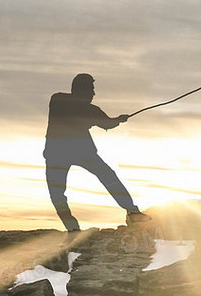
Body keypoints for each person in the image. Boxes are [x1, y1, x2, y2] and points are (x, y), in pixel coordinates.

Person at [44, 73, 150, 231]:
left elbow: (107, 123)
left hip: (59, 153)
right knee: (107, 176)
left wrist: (116, 120)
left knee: (58, 194)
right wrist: (118, 120)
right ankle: (132, 212)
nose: (94, 93)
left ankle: (73, 229)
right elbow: (108, 124)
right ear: (81, 90)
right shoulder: (84, 108)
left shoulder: (58, 100)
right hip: (77, 152)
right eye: (91, 89)